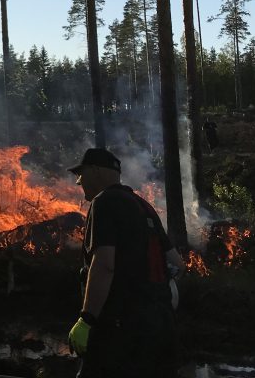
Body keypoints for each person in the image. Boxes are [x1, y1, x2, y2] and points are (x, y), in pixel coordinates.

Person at [66, 147, 184, 378]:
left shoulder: (104, 202)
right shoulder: (143, 206)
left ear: (96, 171)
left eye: (81, 174)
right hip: (161, 325)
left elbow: (104, 264)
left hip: (121, 327)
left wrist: (87, 320)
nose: (79, 182)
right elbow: (177, 263)